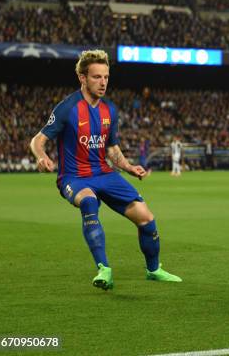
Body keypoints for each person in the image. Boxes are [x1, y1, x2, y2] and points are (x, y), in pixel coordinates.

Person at [29, 49, 181, 290]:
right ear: (82, 77)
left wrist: (129, 167)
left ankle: (154, 269)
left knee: (147, 218)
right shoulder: (67, 108)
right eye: (97, 77)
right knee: (89, 204)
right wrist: (41, 156)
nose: (103, 82)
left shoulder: (110, 110)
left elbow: (111, 149)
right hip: (74, 177)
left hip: (104, 174)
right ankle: (104, 269)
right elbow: (38, 140)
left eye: (106, 77)